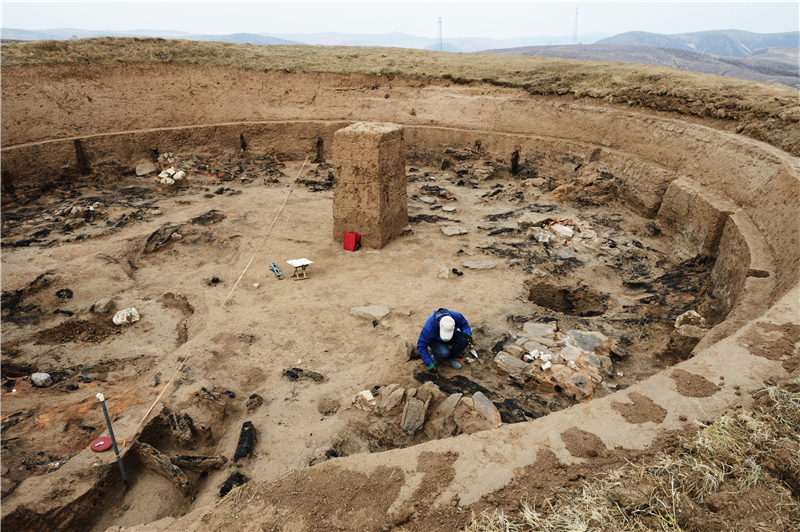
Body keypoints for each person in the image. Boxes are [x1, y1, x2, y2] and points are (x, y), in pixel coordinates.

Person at [417, 308, 473, 376]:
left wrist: (467, 334)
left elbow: (464, 324)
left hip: (452, 335)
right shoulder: (429, 328)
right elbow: (421, 346)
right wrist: (429, 363)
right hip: (435, 340)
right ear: (439, 323)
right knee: (444, 353)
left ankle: (449, 358)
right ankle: (435, 353)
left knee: (464, 340)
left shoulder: (456, 316)